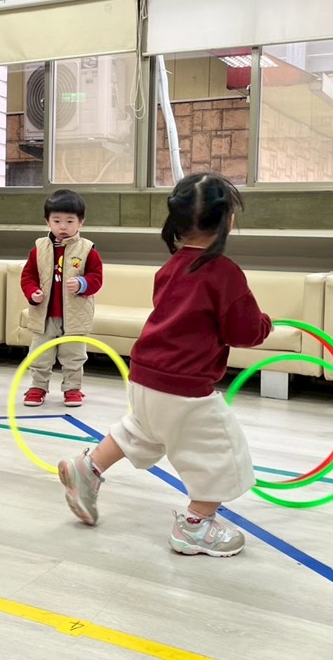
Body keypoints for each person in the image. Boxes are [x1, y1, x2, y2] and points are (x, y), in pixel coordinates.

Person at [57, 173, 271, 557]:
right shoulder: (224, 273)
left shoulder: (170, 268)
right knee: (222, 452)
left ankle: (88, 468)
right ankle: (196, 525)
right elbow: (244, 332)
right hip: (184, 388)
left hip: (144, 375)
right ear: (228, 222)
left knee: (143, 429)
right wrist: (265, 324)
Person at [20, 189, 104, 407]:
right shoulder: (39, 248)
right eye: (57, 221)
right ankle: (38, 387)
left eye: (69, 221)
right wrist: (32, 292)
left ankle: (72, 389)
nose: (63, 227)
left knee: (74, 356)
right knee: (40, 355)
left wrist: (82, 283)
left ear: (81, 222)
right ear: (47, 221)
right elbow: (28, 276)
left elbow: (96, 278)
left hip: (75, 317)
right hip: (44, 315)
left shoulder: (87, 250)